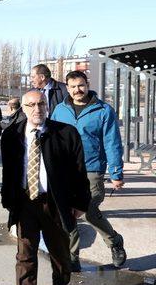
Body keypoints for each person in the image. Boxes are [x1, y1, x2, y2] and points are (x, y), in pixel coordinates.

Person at [0, 90, 90, 285]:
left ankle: (60, 281)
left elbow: (79, 171)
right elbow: (9, 173)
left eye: (41, 104)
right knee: (25, 256)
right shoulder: (11, 135)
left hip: (55, 203)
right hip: (25, 203)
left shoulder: (66, 133)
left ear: (47, 106)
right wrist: (8, 202)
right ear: (24, 108)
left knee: (59, 252)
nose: (37, 109)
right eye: (31, 105)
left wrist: (80, 203)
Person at [51, 70, 126, 272]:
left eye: (81, 85)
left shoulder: (103, 110)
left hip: (92, 169)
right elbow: (52, 140)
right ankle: (72, 258)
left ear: (87, 84)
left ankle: (115, 242)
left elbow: (112, 143)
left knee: (89, 212)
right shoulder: (59, 110)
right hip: (65, 172)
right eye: (73, 86)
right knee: (67, 214)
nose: (78, 90)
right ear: (67, 88)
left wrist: (116, 173)